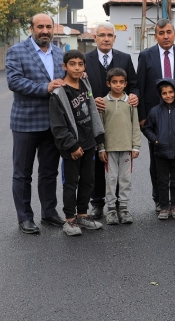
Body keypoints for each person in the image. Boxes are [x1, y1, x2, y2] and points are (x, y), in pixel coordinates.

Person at [6, 13, 66, 235]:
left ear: (53, 29)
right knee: (22, 173)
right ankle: (25, 218)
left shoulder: (59, 53)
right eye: (40, 27)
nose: (45, 31)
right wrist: (45, 88)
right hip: (25, 122)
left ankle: (49, 213)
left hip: (53, 124)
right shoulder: (16, 51)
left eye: (48, 27)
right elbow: (14, 82)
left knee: (49, 172)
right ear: (31, 28)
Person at [137, 19, 175, 213]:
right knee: (157, 160)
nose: (166, 36)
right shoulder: (146, 56)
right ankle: (160, 200)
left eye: (169, 32)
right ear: (156, 36)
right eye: (161, 33)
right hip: (155, 118)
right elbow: (141, 86)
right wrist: (142, 116)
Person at [48, 50, 106, 236]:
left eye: (80, 64)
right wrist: (71, 146)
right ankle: (69, 220)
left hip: (89, 143)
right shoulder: (59, 93)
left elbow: (91, 111)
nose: (77, 67)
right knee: (71, 183)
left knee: (88, 181)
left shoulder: (84, 84)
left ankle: (82, 214)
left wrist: (97, 140)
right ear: (64, 66)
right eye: (72, 64)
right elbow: (58, 126)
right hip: (72, 147)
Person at [85, 22, 139, 220]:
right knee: (98, 165)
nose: (106, 38)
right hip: (94, 119)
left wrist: (134, 96)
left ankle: (120, 205)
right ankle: (98, 204)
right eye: (102, 35)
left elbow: (133, 84)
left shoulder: (124, 59)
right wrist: (91, 100)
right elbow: (80, 86)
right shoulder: (85, 59)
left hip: (119, 121)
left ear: (114, 38)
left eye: (110, 35)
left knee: (119, 170)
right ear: (95, 38)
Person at [142, 79, 175, 220]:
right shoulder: (155, 111)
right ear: (160, 95)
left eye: (171, 92)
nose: (168, 95)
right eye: (164, 93)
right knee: (163, 180)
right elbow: (147, 128)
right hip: (160, 152)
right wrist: (155, 140)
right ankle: (164, 206)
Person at [99, 67, 141, 225]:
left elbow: (135, 125)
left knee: (125, 179)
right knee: (111, 179)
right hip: (109, 149)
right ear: (108, 83)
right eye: (114, 82)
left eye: (121, 82)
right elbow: (99, 127)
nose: (118, 85)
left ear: (126, 84)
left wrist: (135, 146)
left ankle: (123, 208)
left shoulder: (130, 102)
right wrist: (101, 147)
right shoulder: (102, 102)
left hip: (126, 149)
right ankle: (111, 209)